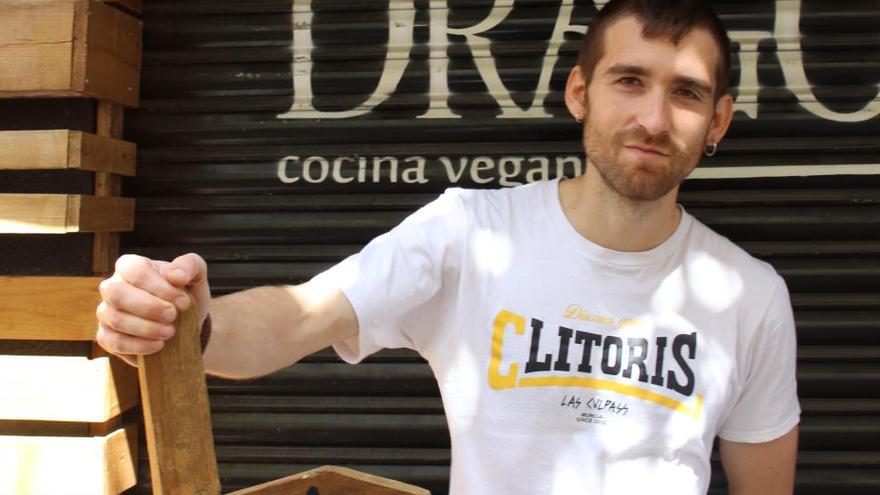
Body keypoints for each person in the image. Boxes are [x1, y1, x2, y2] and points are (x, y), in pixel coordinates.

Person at [95, 0, 800, 493]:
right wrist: (185, 320)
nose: (652, 117)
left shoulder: (751, 294)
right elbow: (295, 318)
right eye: (629, 80)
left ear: (719, 121)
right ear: (580, 92)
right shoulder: (470, 232)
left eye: (685, 93)